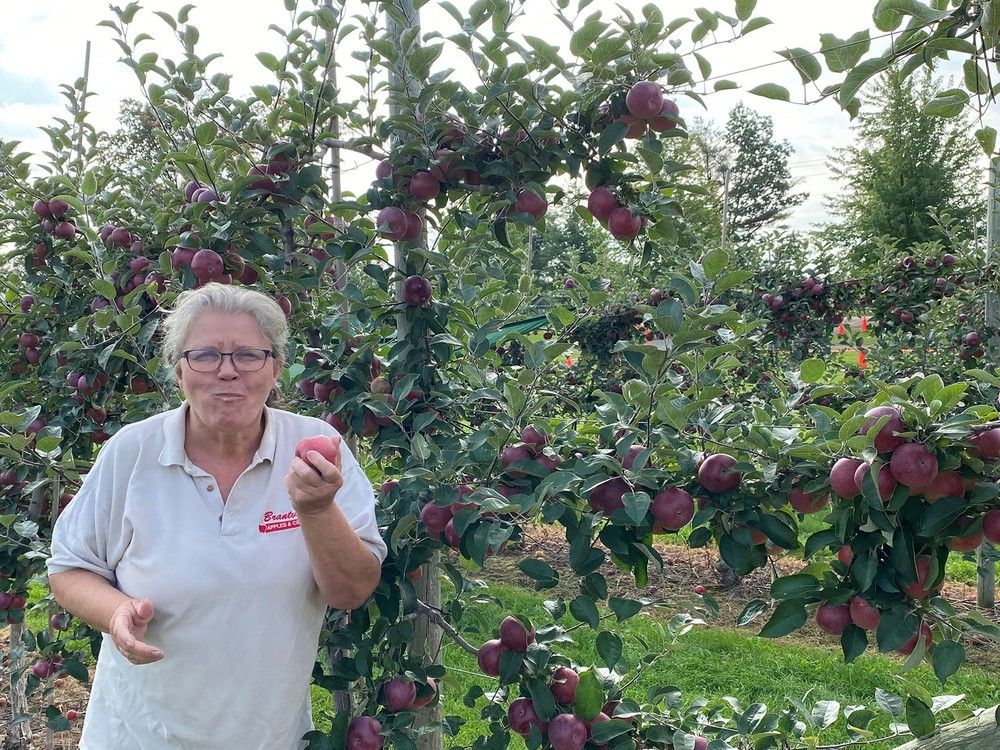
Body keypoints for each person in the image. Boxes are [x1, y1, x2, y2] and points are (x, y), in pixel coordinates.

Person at [47, 282, 386, 749]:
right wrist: (116, 612)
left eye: (248, 355)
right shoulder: (133, 451)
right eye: (205, 355)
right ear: (178, 371)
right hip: (138, 735)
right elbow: (69, 568)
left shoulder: (313, 449)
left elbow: (351, 591)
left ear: (275, 369)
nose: (228, 372)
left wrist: (316, 508)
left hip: (266, 736)